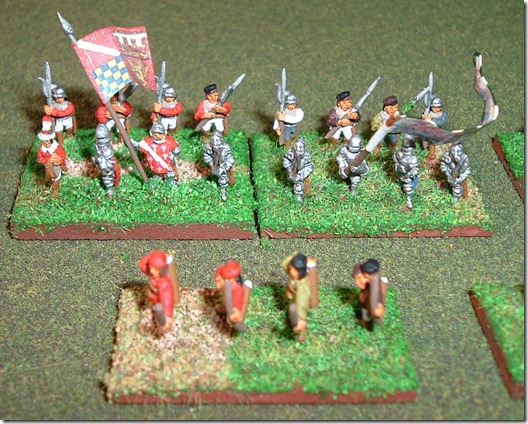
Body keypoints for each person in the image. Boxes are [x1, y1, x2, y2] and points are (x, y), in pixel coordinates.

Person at [138, 250, 180, 336]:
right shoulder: (153, 274)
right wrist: (153, 256)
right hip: (154, 297)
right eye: (151, 268)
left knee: (160, 314)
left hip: (160, 301)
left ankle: (163, 327)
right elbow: (142, 264)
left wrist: (168, 314)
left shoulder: (164, 283)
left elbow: (167, 299)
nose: (152, 271)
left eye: (155, 269)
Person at [282, 253, 318, 342]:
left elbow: (302, 303)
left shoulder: (302, 286)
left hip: (298, 302)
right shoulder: (294, 275)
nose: (291, 271)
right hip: (293, 294)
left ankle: (300, 332)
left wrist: (302, 319)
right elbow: (285, 264)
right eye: (291, 268)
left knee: (293, 310)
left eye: (294, 270)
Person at [214, 260, 253, 332]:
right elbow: (238, 301)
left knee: (245, 284)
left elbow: (220, 269)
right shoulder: (235, 288)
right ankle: (245, 329)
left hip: (233, 296)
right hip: (232, 299)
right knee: (247, 284)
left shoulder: (235, 287)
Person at [352, 259, 388, 331]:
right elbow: (357, 270)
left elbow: (376, 296)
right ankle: (364, 320)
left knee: (367, 314)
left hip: (369, 303)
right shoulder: (362, 274)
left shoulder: (377, 282)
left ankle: (366, 323)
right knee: (363, 308)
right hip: (364, 298)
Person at [203, 130, 236, 201]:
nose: (215, 143)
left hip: (223, 165)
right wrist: (211, 164)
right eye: (213, 141)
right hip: (214, 165)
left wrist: (225, 166)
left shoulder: (226, 148)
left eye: (217, 140)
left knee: (223, 177)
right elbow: (207, 156)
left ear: (221, 140)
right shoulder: (209, 147)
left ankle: (223, 191)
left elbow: (231, 158)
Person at [36, 129, 67, 199]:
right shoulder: (42, 149)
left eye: (48, 141)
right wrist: (47, 161)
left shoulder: (56, 148)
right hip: (48, 165)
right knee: (48, 175)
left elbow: (63, 155)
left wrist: (58, 160)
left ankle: (56, 190)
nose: (47, 144)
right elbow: (40, 159)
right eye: (45, 142)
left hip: (56, 165)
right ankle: (48, 181)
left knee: (56, 178)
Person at [282, 138, 314, 202]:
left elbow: (307, 166)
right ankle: (289, 183)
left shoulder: (306, 155)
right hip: (292, 168)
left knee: (299, 181)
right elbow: (286, 160)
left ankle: (299, 194)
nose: (298, 149)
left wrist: (300, 173)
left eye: (300, 147)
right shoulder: (290, 152)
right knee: (290, 177)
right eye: (296, 146)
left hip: (303, 170)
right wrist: (289, 169)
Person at [94, 124, 120, 197]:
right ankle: (109, 189)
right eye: (100, 139)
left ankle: (110, 190)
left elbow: (109, 158)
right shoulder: (99, 147)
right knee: (106, 175)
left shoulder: (108, 150)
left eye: (102, 139)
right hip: (103, 161)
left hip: (107, 163)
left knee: (108, 175)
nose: (101, 141)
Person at [393, 135, 419, 210]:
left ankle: (409, 201)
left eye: (408, 147)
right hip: (401, 176)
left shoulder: (414, 159)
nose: (406, 149)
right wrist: (399, 168)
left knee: (408, 188)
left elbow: (416, 170)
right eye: (405, 147)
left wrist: (411, 174)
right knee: (402, 184)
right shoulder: (399, 155)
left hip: (409, 178)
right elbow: (396, 164)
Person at [421, 96, 448, 162]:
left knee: (432, 143)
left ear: (440, 107)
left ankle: (431, 155)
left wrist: (430, 120)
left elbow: (441, 122)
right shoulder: (429, 113)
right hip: (427, 132)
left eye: (437, 107)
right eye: (433, 107)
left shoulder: (443, 115)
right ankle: (425, 150)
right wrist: (423, 118)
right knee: (424, 142)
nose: (435, 109)